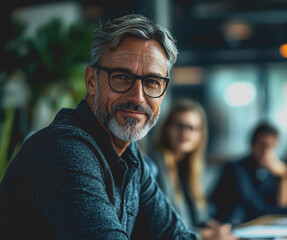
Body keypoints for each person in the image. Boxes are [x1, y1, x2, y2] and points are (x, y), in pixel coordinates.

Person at [0, 14, 197, 239]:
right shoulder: (61, 150)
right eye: (122, 77)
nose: (138, 97)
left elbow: (176, 235)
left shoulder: (131, 156)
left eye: (152, 82)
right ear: (92, 81)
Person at [149, 98, 237, 240]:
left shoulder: (190, 167)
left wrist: (219, 229)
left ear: (200, 135)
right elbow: (162, 227)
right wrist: (206, 235)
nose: (185, 132)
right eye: (179, 125)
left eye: (192, 128)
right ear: (167, 128)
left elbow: (199, 218)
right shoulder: (156, 163)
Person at [210, 122, 287, 225]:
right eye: (262, 145)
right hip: (231, 225)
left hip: (256, 226)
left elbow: (280, 207)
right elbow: (256, 208)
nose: (265, 152)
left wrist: (284, 178)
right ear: (252, 143)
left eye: (271, 147)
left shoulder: (271, 172)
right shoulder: (236, 169)